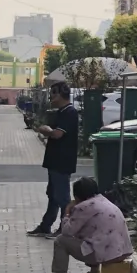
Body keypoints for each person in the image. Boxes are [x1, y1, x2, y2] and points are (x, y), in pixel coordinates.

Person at [52, 176, 133, 273]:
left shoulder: (83, 207)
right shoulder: (104, 200)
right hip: (123, 252)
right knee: (92, 236)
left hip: (107, 255)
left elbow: (67, 231)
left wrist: (67, 212)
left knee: (60, 240)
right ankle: (94, 272)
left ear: (77, 195)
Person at [29, 81, 80, 237]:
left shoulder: (70, 113)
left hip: (62, 161)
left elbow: (57, 134)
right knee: (52, 195)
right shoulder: (60, 112)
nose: (50, 97)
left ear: (60, 94)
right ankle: (46, 225)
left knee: (62, 197)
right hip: (54, 160)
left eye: (52, 93)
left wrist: (46, 130)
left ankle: (65, 228)